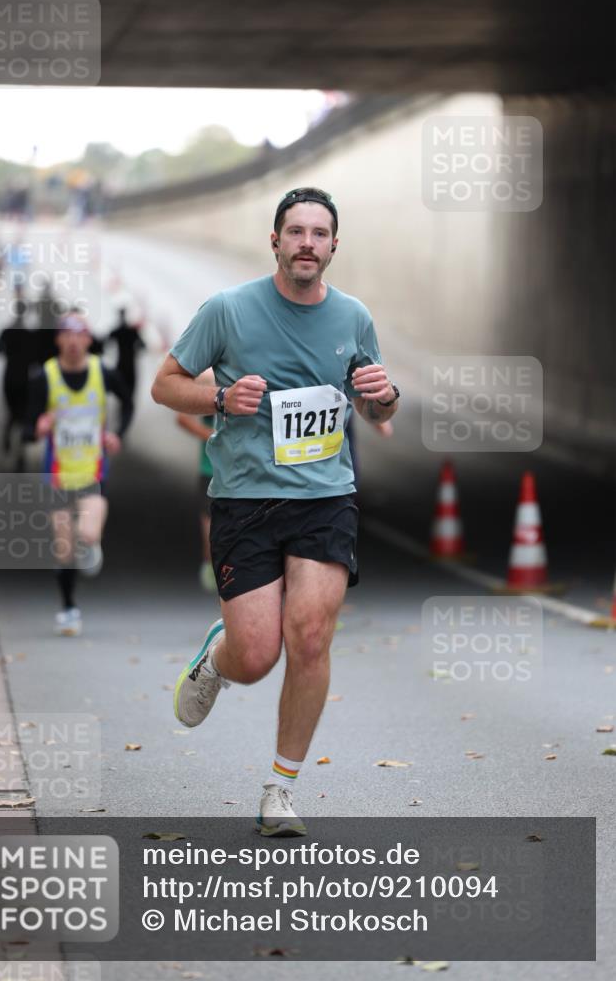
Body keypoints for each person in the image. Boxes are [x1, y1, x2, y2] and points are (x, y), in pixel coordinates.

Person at [152, 187, 399, 836]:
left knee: (310, 637)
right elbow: (164, 384)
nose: (307, 244)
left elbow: (373, 409)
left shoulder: (352, 318)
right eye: (295, 232)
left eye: (319, 233)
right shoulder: (229, 310)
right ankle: (218, 658)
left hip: (325, 498)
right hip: (245, 498)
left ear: (333, 246)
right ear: (275, 241)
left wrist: (384, 397)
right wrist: (221, 395)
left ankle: (280, 791)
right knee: (256, 656)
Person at [24, 311, 133, 635]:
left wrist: (118, 434)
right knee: (64, 547)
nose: (73, 341)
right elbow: (27, 426)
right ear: (59, 339)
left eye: (79, 334)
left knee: (86, 535)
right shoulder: (44, 377)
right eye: (67, 335)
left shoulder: (104, 372)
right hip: (57, 474)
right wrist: (38, 428)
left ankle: (91, 544)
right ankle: (69, 608)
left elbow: (128, 403)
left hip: (92, 472)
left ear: (88, 339)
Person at [0, 284, 38, 464]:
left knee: (12, 412)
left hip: (9, 379)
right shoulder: (30, 335)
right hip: (25, 380)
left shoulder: (7, 332)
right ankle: (21, 452)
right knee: (24, 414)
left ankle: (8, 436)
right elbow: (37, 359)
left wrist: (6, 350)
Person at [176, 410, 218, 593]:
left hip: (243, 473)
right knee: (212, 536)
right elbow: (182, 418)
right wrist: (214, 436)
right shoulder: (209, 381)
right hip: (211, 471)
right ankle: (211, 566)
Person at [108, 307, 146, 398]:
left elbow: (106, 343)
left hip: (121, 365)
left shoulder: (118, 331)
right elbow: (143, 346)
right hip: (129, 366)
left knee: (123, 394)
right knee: (128, 394)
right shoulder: (132, 331)